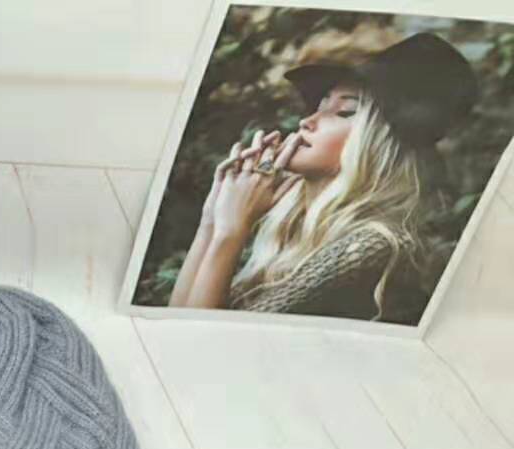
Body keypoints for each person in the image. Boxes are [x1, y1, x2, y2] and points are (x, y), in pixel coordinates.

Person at [169, 32, 477, 323]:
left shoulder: (370, 246)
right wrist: (212, 221)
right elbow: (173, 323)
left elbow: (198, 340)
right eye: (319, 106)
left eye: (344, 112)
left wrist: (231, 230)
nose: (307, 121)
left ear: (379, 146)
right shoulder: (307, 235)